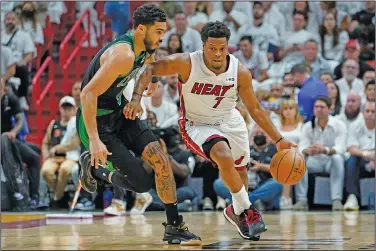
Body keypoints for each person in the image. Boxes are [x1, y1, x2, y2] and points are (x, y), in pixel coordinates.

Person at [125, 21, 296, 240]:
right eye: (212, 48)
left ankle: (236, 212)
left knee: (240, 174)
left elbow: (255, 108)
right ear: (203, 46)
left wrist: (279, 139)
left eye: (222, 49)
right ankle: (249, 209)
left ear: (228, 47)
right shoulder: (187, 63)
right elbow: (151, 68)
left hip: (230, 121)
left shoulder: (240, 71)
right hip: (198, 124)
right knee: (223, 155)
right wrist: (138, 97)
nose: (217, 53)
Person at [77, 4, 201, 245]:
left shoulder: (146, 45)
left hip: (120, 111)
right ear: (141, 29)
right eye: (158, 31)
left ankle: (174, 226)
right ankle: (93, 169)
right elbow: (87, 95)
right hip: (96, 120)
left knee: (161, 160)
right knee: (142, 184)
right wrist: (93, 140)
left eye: (164, 31)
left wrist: (142, 92)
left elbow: (151, 63)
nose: (162, 37)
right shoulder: (123, 54)